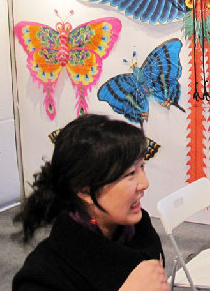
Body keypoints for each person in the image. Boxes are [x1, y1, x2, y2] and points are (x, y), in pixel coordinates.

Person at [12, 114, 170, 291]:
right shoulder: (44, 276)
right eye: (130, 173)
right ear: (85, 191)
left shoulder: (140, 233)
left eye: (142, 166)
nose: (144, 183)